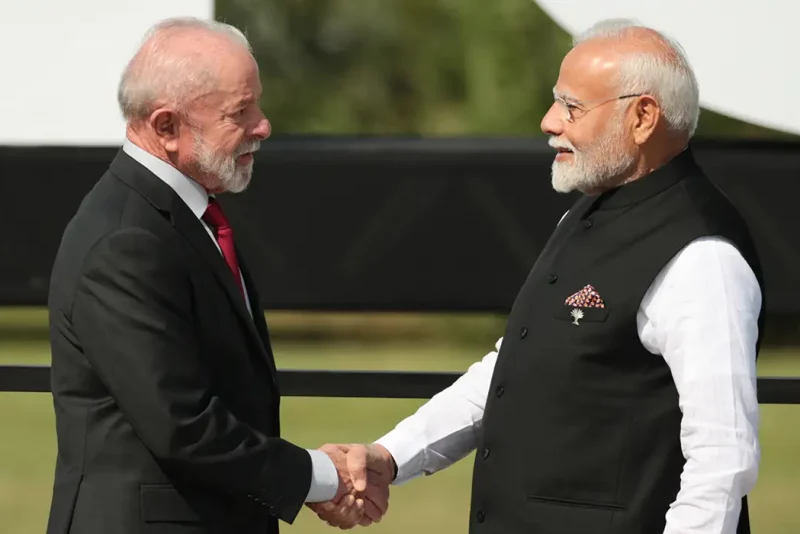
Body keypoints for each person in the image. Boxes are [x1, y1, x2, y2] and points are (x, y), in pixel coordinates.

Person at [319, 18, 765, 534]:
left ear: (642, 117)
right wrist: (391, 455)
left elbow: (723, 457)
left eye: (572, 106)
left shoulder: (701, 255)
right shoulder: (587, 214)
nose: (549, 121)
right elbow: (512, 369)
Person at [46, 17, 385, 534]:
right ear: (166, 127)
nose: (264, 125)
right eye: (239, 112)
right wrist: (321, 476)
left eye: (258, 103)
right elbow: (182, 425)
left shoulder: (179, 217)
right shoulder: (126, 242)